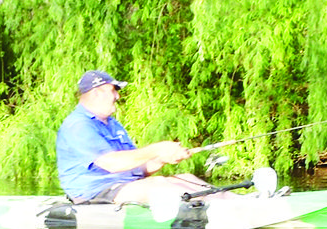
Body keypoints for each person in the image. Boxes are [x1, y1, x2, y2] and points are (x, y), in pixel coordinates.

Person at [55, 69, 211, 206]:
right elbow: (112, 164)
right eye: (113, 90)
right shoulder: (78, 125)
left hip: (124, 186)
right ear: (96, 92)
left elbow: (136, 168)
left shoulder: (113, 124)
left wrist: (160, 159)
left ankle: (227, 204)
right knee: (161, 184)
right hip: (95, 193)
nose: (117, 95)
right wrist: (157, 148)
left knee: (186, 178)